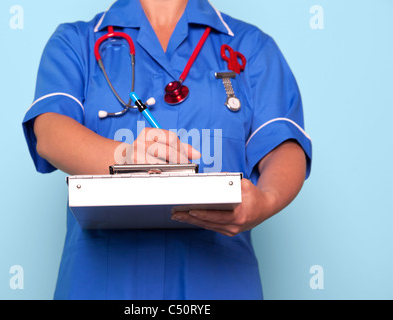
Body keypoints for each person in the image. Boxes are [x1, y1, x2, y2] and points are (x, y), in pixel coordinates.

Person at [22, 0, 312, 300]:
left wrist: (266, 200)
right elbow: (50, 132)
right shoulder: (76, 42)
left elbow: (283, 145)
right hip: (101, 285)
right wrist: (124, 156)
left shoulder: (251, 47)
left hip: (218, 285)